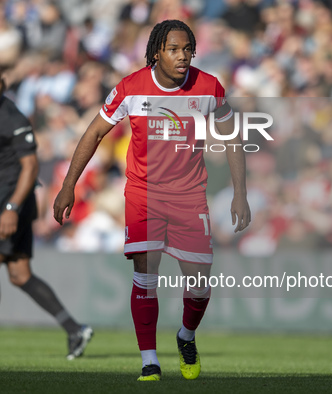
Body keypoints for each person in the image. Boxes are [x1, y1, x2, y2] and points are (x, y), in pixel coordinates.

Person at [54, 20, 250, 381]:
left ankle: (186, 336)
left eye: (188, 49)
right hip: (144, 195)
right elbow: (95, 132)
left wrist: (240, 192)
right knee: (146, 276)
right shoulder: (131, 87)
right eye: (174, 49)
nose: (182, 56)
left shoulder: (208, 87)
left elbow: (233, 137)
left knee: (200, 284)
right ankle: (149, 361)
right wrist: (69, 184)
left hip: (190, 197)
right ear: (157, 52)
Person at [0, 63, 92, 360]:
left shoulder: (12, 117)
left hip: (12, 197)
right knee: (19, 274)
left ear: (3, 84)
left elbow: (31, 166)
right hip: (0, 198)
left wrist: (11, 207)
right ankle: (75, 329)